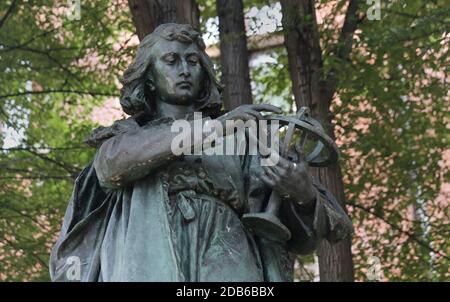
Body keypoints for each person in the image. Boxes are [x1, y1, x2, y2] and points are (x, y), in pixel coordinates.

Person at [50, 23, 353, 282]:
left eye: (193, 61)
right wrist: (214, 128)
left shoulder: (243, 141)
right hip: (150, 249)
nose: (184, 70)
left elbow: (300, 235)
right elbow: (113, 165)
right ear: (150, 77)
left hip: (229, 253)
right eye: (171, 60)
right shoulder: (129, 136)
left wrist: (302, 195)